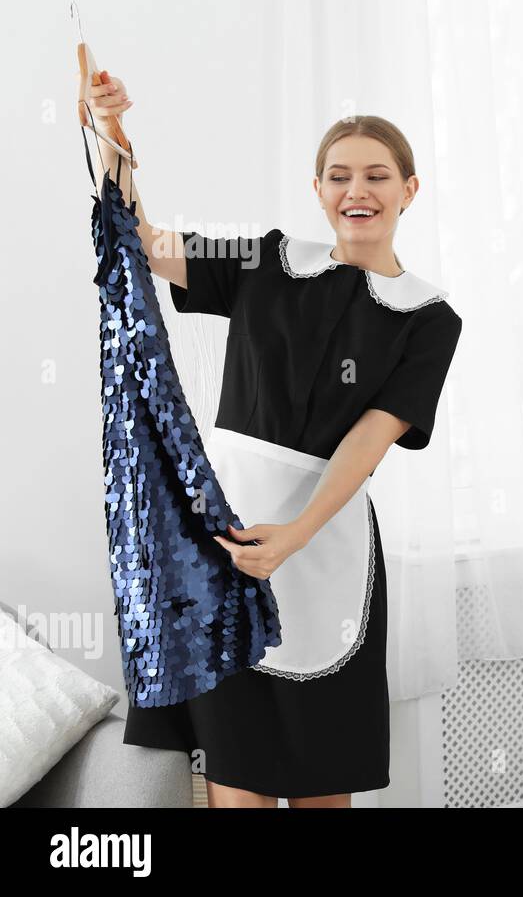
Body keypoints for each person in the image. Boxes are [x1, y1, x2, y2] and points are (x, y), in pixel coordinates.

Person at [81, 74, 462, 808]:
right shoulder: (269, 262)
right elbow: (145, 242)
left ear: (409, 189)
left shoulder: (428, 319)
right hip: (224, 553)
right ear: (318, 189)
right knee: (237, 782)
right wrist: (113, 136)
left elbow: (367, 442)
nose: (359, 190)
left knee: (322, 784)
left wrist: (295, 534)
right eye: (340, 175)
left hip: (329, 549)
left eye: (377, 175)